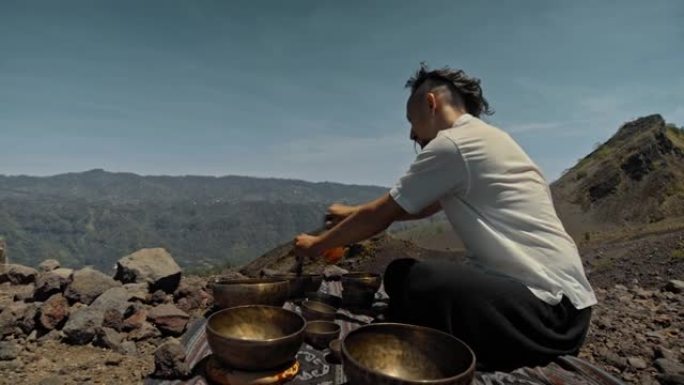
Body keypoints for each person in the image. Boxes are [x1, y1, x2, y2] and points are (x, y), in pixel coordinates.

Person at [293, 63, 596, 371]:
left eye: (412, 121)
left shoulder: (451, 144)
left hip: (545, 316)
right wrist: (349, 213)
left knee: (419, 280)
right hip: (566, 313)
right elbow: (419, 206)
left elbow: (382, 215)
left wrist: (315, 245)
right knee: (402, 275)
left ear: (431, 103)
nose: (412, 133)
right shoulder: (484, 139)